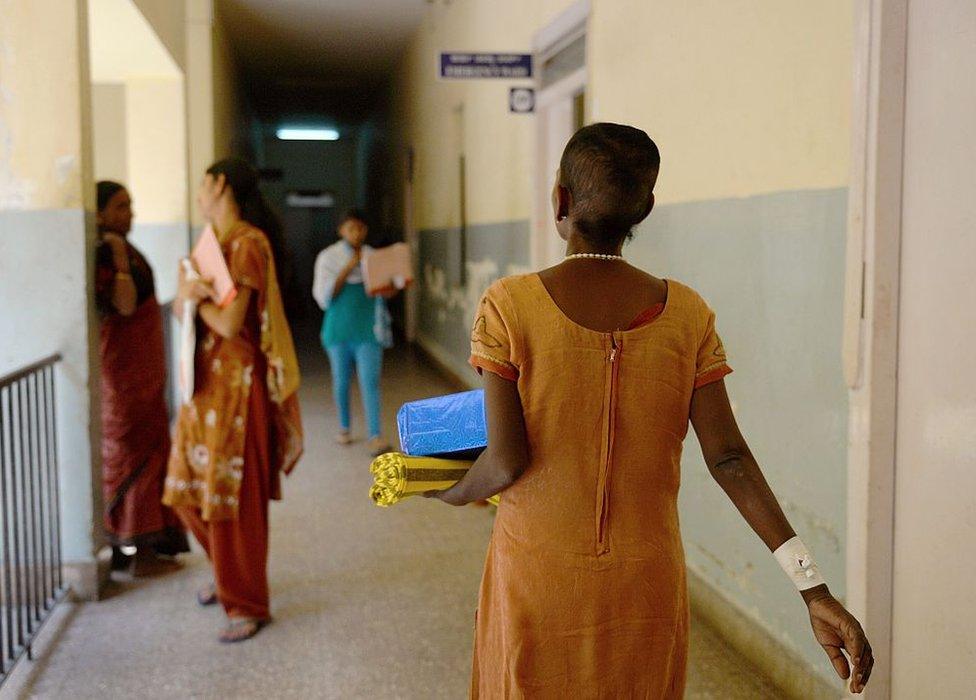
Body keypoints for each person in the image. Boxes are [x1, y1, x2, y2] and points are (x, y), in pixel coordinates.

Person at [425, 123, 874, 696]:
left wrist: (451, 489)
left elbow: (506, 461)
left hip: (538, 579)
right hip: (648, 584)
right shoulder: (688, 314)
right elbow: (730, 459)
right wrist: (813, 589)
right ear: (646, 208)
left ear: (559, 200)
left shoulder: (509, 306)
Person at [165, 157, 303, 643]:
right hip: (203, 389)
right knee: (185, 494)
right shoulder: (212, 247)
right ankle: (228, 575)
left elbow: (226, 322)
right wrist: (189, 295)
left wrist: (192, 298)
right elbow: (192, 312)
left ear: (221, 184)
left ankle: (246, 602)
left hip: (238, 391)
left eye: (204, 183)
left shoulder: (247, 244)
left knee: (234, 501)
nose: (199, 193)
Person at [95, 180, 189, 576]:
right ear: (99, 214)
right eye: (120, 207)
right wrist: (117, 258)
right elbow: (125, 304)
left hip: (144, 376)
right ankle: (136, 555)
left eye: (130, 205)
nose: (129, 213)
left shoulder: (123, 247)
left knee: (152, 453)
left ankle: (149, 547)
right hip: (124, 379)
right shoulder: (106, 254)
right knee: (131, 457)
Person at [312, 208, 396, 456]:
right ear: (341, 231)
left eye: (360, 228)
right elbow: (325, 296)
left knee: (370, 381)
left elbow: (387, 291)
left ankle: (375, 434)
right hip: (337, 331)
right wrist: (350, 266)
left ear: (365, 230)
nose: (356, 233)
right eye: (351, 228)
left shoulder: (374, 256)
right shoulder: (328, 258)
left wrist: (395, 283)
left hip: (369, 329)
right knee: (341, 381)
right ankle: (344, 427)